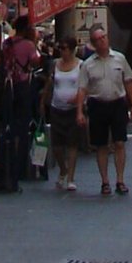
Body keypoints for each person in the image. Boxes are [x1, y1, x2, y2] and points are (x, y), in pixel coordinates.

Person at [81, 25, 132, 195]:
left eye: (104, 37)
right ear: (93, 43)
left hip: (117, 103)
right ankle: (105, 181)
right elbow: (82, 88)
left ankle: (120, 180)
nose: (102, 41)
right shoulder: (88, 65)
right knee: (101, 145)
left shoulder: (119, 59)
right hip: (97, 103)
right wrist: (79, 110)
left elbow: (128, 81)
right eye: (98, 39)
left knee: (119, 142)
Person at [0, 17, 41, 192]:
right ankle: (20, 166)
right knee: (23, 126)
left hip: (8, 87)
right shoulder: (29, 45)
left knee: (7, 124)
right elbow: (36, 61)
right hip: (22, 86)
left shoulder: (6, 43)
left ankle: (7, 165)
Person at [47, 36, 86, 192]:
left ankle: (70, 177)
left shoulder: (80, 66)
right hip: (56, 107)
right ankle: (63, 168)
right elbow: (50, 83)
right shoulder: (55, 64)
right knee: (56, 145)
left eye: (64, 48)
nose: (61, 51)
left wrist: (79, 102)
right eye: (60, 48)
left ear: (72, 49)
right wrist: (44, 101)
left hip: (72, 109)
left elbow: (85, 86)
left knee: (72, 144)